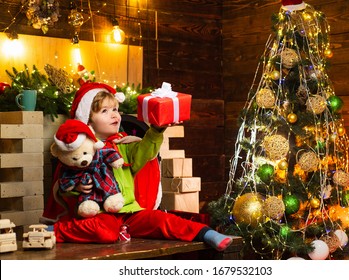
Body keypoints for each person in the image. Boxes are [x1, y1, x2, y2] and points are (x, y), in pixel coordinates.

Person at [44, 82, 233, 252]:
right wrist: (77, 189)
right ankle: (55, 230)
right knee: (105, 232)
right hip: (100, 214)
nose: (114, 115)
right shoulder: (79, 151)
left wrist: (157, 129)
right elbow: (65, 182)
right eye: (104, 111)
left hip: (130, 211)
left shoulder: (124, 144)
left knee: (162, 220)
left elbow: (146, 152)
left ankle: (207, 234)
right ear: (88, 119)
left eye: (116, 110)